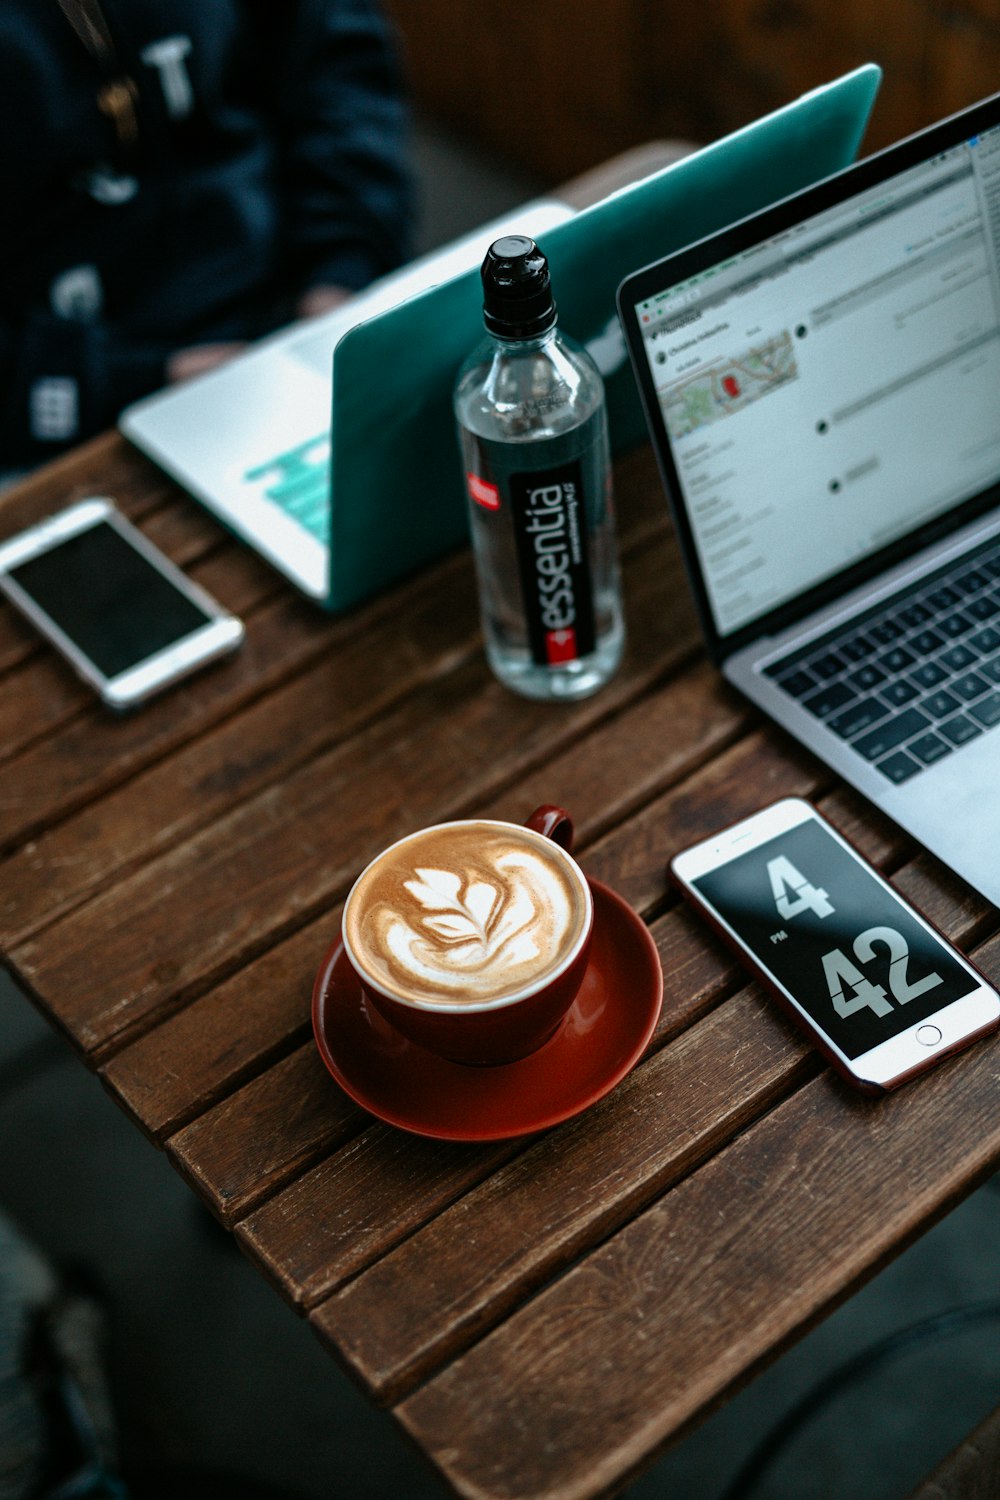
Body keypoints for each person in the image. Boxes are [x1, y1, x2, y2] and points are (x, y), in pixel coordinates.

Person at [0, 0, 414, 471]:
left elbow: (332, 56)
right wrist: (122, 384)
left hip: (304, 315)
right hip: (67, 413)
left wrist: (344, 268)